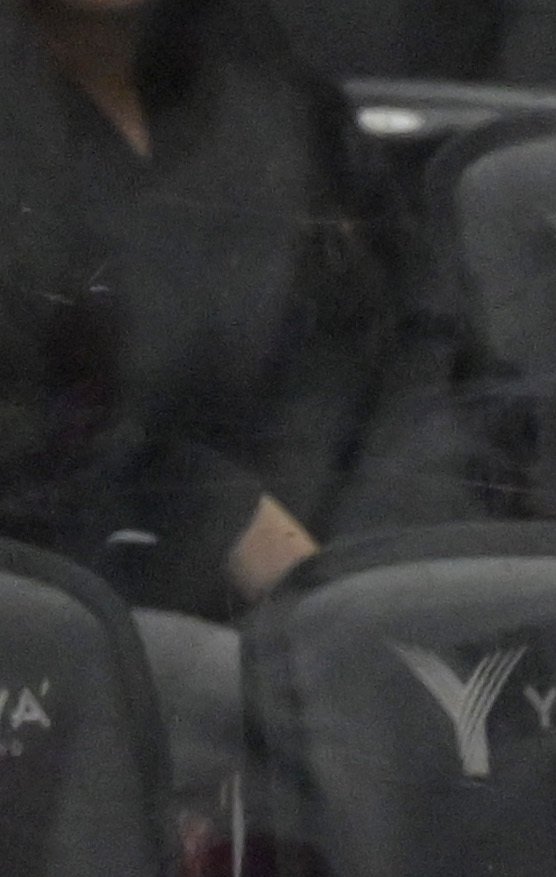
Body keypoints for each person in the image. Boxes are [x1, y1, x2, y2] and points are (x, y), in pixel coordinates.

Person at [0, 0, 492, 621]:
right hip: (87, 638)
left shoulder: (260, 72)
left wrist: (387, 550)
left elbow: (418, 344)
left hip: (343, 610)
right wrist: (223, 521)